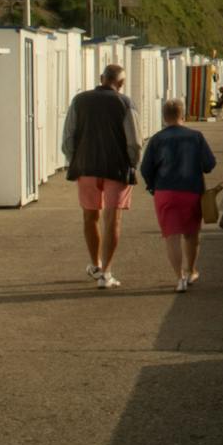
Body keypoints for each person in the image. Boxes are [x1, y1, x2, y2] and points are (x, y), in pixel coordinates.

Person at [62, 63, 139, 288]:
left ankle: (95, 264)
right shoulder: (125, 103)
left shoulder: (79, 100)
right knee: (112, 219)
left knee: (90, 216)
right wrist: (132, 163)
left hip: (86, 167)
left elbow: (68, 137)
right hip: (116, 168)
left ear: (101, 78)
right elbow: (134, 140)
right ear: (121, 83)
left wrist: (74, 159)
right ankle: (106, 272)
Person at [139, 97, 217, 293]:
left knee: (171, 237)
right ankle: (191, 271)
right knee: (191, 235)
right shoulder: (196, 136)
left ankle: (179, 278)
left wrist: (152, 185)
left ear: (164, 117)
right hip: (191, 190)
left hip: (165, 191)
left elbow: (145, 167)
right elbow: (209, 164)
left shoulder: (157, 139)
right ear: (183, 115)